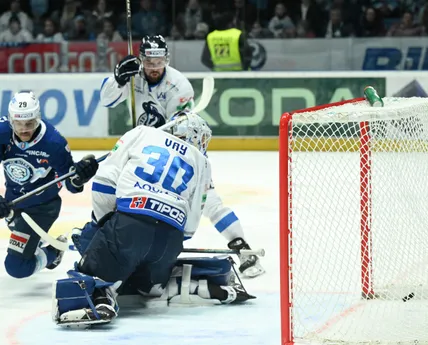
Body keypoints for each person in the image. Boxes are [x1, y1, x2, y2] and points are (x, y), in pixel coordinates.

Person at [53, 112, 255, 328]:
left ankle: (102, 297)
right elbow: (189, 228)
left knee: (88, 256)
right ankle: (190, 284)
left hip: (128, 227)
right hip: (169, 241)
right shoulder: (202, 163)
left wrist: (104, 228)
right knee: (146, 286)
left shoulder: (141, 133)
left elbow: (103, 184)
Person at [96, 34, 264, 277]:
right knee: (117, 188)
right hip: (141, 148)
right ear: (142, 59)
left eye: (159, 61)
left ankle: (241, 245)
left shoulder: (179, 85)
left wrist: (156, 128)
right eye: (149, 62)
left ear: (167, 59)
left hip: (172, 151)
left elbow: (182, 133)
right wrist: (118, 79)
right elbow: (106, 101)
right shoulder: (134, 75)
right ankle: (111, 238)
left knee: (208, 199)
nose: (154, 68)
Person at [0, 91, 98, 279]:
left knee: (16, 267)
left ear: (38, 118)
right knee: (26, 242)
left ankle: (52, 253)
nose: (23, 130)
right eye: (18, 123)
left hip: (41, 208)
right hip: (13, 203)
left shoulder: (53, 143)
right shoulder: (2, 133)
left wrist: (80, 177)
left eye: (29, 123)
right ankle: (32, 240)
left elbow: (71, 185)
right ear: (11, 120)